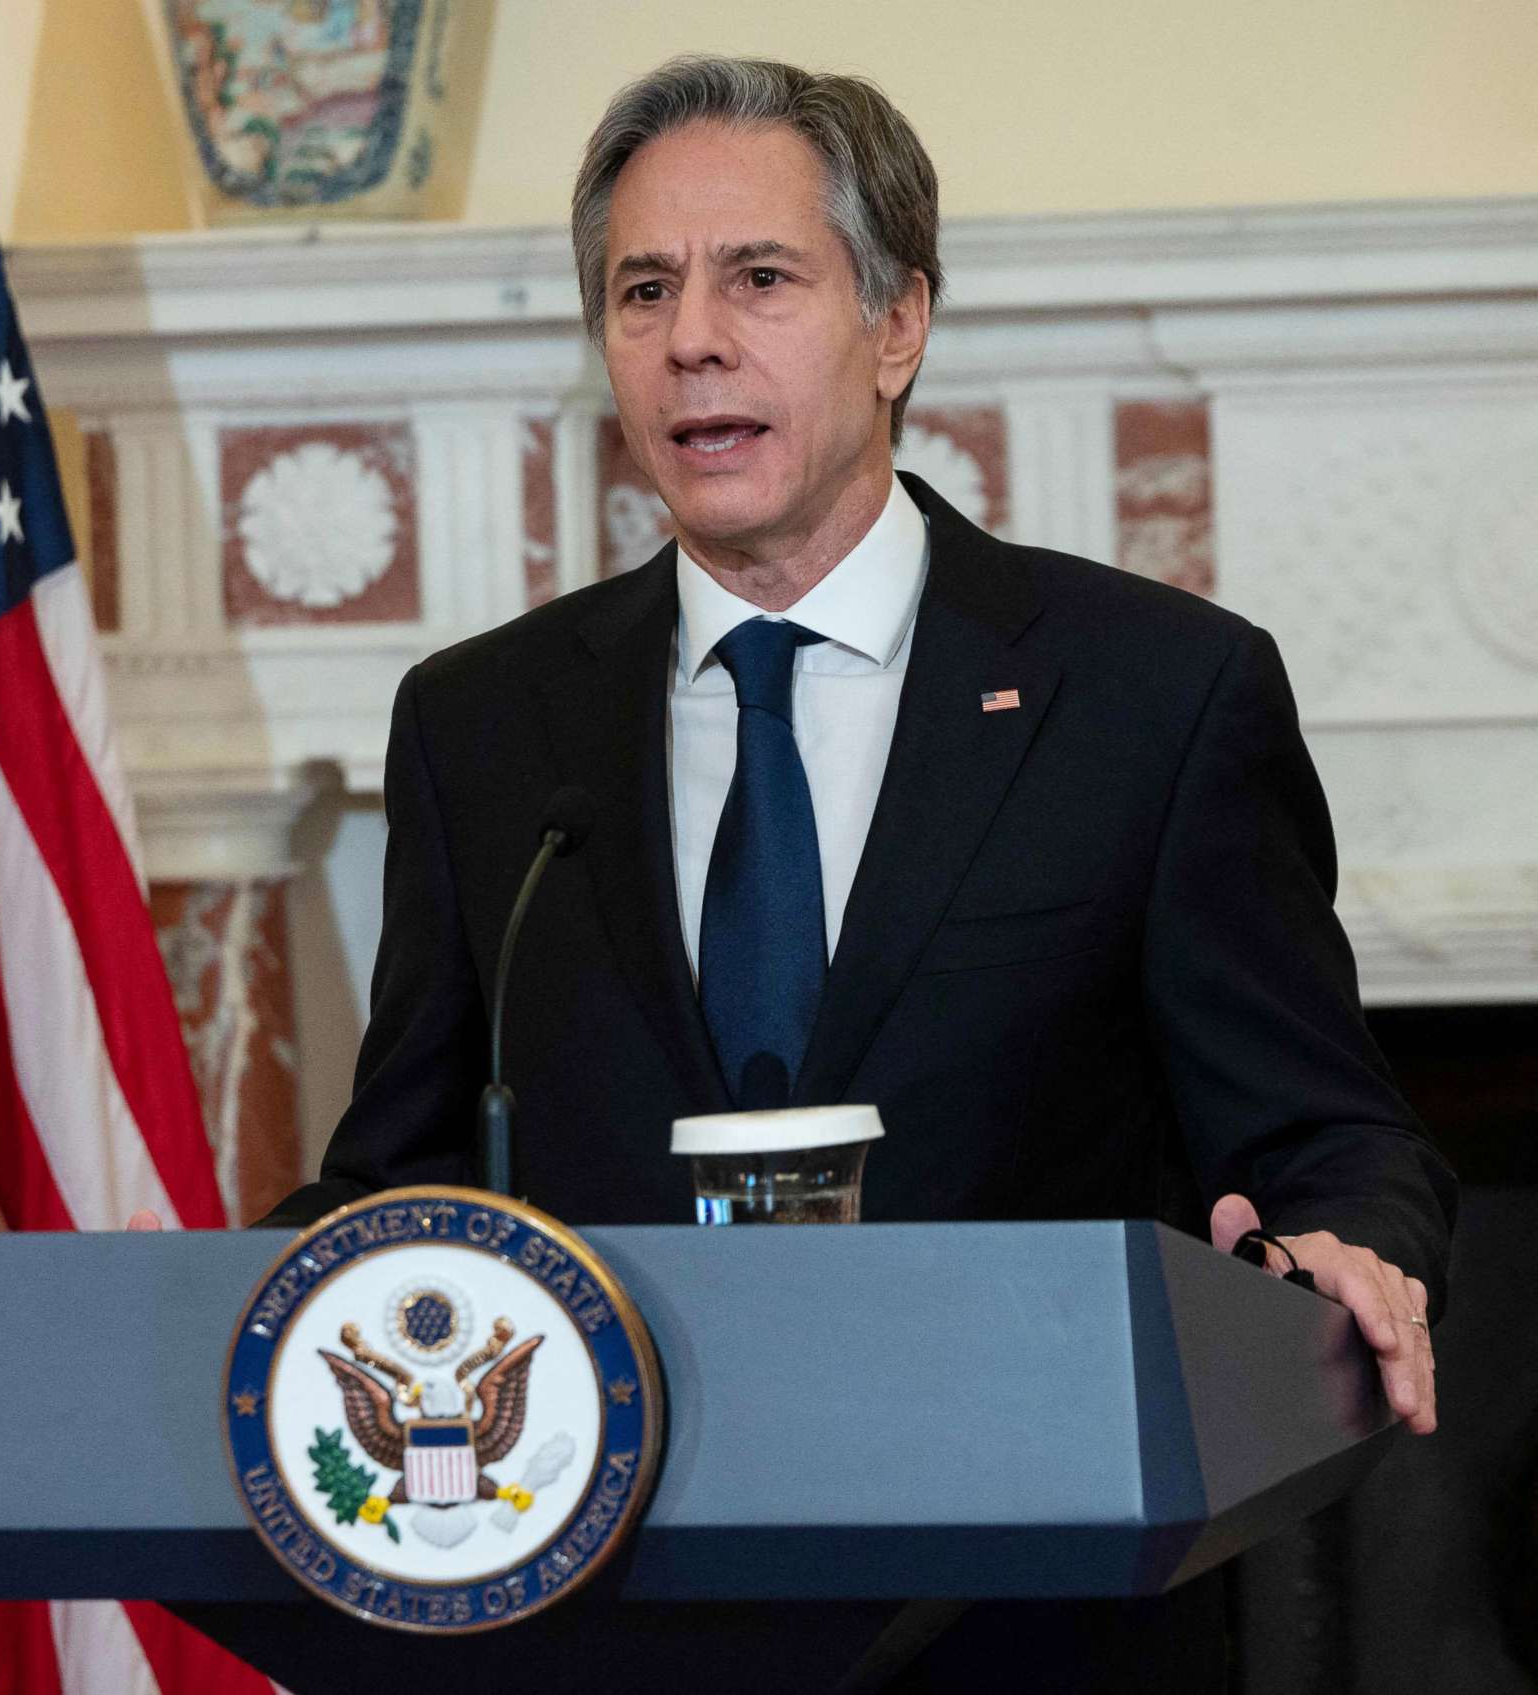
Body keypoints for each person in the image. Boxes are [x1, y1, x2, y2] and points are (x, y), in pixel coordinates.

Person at [258, 56, 1456, 1691]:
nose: (692, 338)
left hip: (1036, 1626)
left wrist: (1335, 1249)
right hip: (606, 1627)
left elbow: (1326, 1132)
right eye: (643, 290)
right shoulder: (482, 726)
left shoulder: (1153, 694)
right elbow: (397, 1174)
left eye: (760, 278)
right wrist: (223, 1308)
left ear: (899, 326)